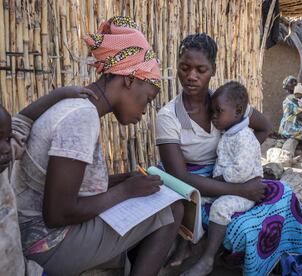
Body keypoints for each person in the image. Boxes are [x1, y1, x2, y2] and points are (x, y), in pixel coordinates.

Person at [11, 16, 183, 276]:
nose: (144, 111)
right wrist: (125, 191)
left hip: (35, 234)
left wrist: (125, 179)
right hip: (47, 245)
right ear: (129, 80)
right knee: (172, 208)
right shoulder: (82, 117)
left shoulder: (79, 108)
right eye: (147, 99)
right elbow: (57, 213)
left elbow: (70, 186)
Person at [156, 33, 302, 276]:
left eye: (201, 69)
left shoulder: (225, 103)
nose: (191, 76)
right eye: (185, 68)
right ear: (177, 66)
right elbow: (179, 176)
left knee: (286, 194)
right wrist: (240, 190)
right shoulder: (168, 117)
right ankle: (206, 256)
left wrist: (244, 153)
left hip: (233, 175)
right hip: (195, 185)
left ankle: (284, 256)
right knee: (239, 225)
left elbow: (264, 127)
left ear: (213, 70)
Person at [0, 86, 97, 276]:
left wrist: (59, 94)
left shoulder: (4, 161)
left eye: (6, 137)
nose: (5, 148)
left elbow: (22, 122)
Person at [184, 81, 262, 275]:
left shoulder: (243, 136)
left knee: (220, 208)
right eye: (212, 112)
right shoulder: (229, 133)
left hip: (245, 192)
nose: (214, 117)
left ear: (237, 112)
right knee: (194, 199)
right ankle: (190, 243)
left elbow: (241, 171)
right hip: (230, 186)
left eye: (219, 111)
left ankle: (208, 258)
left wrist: (218, 181)